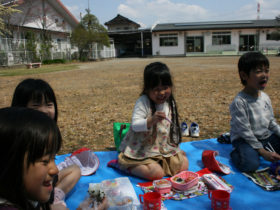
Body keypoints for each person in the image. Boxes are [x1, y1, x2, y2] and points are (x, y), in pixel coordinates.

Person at [109, 62, 189, 180]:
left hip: (163, 148)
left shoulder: (170, 103)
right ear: (147, 89)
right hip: (143, 148)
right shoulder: (143, 102)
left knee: (184, 164)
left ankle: (161, 163)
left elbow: (173, 127)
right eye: (157, 89)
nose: (162, 93)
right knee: (156, 174)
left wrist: (176, 148)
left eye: (165, 88)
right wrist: (151, 120)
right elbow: (135, 125)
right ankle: (123, 165)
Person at [11, 78, 81, 207]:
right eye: (36, 105)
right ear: (19, 108)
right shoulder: (17, 138)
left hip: (40, 184)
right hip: (30, 188)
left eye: (49, 105)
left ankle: (55, 196)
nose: (44, 111)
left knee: (76, 170)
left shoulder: (49, 133)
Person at [0, 107, 62, 209]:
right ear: (9, 166)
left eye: (54, 158)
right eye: (45, 161)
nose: (55, 169)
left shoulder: (27, 197)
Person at [230, 52, 280, 172]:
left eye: (266, 70)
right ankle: (236, 154)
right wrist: (262, 152)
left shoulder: (265, 97)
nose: (264, 75)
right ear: (244, 75)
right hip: (244, 140)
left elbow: (271, 122)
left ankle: (256, 151)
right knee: (250, 165)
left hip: (265, 137)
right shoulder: (239, 102)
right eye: (258, 71)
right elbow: (245, 132)